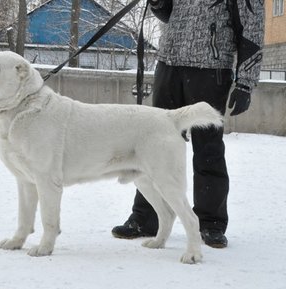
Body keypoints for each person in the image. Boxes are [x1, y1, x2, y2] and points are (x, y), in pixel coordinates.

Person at [112, 0, 264, 248]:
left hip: (210, 69)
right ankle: (146, 218)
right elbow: (168, 14)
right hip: (169, 64)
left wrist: (246, 82)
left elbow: (252, 27)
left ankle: (210, 222)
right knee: (151, 147)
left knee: (208, 150)